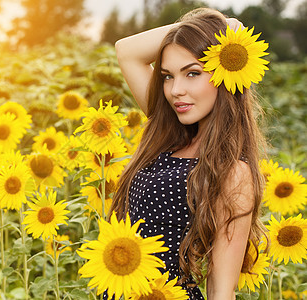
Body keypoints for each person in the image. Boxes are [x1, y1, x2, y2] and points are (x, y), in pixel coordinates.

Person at [109, 7, 269, 300]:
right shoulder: (167, 131)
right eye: (168, 76)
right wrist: (214, 27)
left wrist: (224, 41)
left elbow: (221, 289)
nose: (175, 91)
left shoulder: (233, 171)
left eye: (192, 73)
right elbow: (126, 50)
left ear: (224, 76)